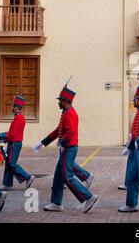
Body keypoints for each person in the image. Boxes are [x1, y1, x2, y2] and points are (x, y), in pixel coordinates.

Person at [33, 84, 100, 213]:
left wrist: (62, 143)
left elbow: (71, 132)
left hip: (68, 148)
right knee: (58, 176)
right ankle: (56, 203)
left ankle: (89, 197)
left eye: (60, 100)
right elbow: (58, 130)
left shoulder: (70, 114)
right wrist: (43, 142)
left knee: (67, 177)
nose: (58, 103)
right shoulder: (66, 113)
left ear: (66, 101)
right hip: (67, 147)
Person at [0, 94, 35, 191]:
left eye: (13, 106)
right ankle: (7, 184)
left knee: (11, 163)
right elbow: (12, 133)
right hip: (13, 142)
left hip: (14, 143)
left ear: (17, 107)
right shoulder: (18, 117)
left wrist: (1, 136)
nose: (12, 107)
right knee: (8, 163)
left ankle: (27, 177)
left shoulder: (19, 118)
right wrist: (3, 136)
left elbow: (12, 134)